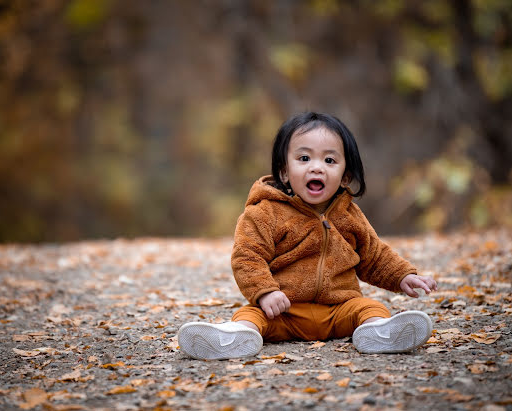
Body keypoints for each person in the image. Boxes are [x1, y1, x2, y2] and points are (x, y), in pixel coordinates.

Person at [178, 111, 438, 360]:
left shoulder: (349, 215)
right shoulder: (265, 212)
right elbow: (247, 257)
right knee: (251, 315)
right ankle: (234, 338)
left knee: (370, 308)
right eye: (304, 159)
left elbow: (374, 255)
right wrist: (265, 292)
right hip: (284, 312)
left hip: (339, 311)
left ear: (345, 176)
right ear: (284, 172)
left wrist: (403, 275)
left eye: (329, 160)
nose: (317, 168)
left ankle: (381, 333)